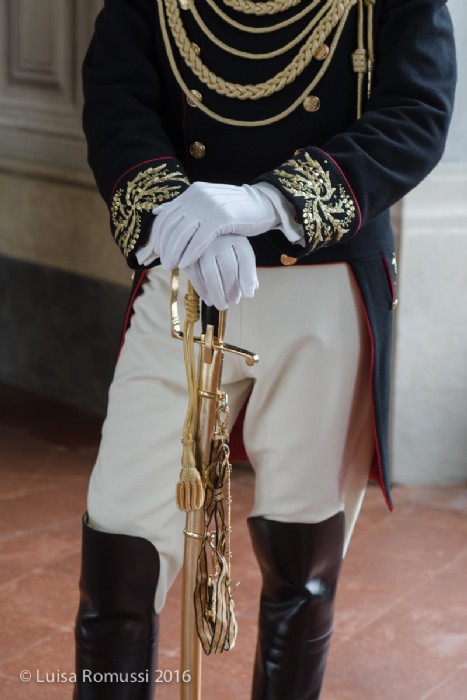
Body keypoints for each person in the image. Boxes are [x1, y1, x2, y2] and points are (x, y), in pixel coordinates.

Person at [73, 1, 456, 698]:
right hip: (183, 275)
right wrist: (172, 214)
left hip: (325, 288)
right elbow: (116, 92)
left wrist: (268, 203)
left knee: (301, 570)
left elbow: (415, 111)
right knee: (118, 551)